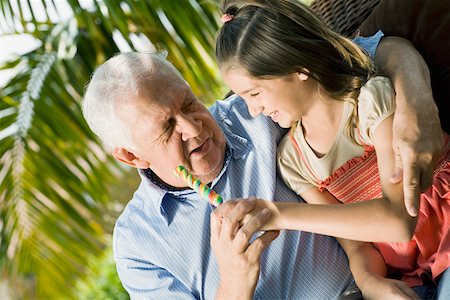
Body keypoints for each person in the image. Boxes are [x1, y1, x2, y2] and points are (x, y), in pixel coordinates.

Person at [82, 51, 422, 299]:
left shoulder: (256, 111)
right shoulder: (137, 244)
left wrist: (419, 103)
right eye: (166, 127)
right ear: (131, 156)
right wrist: (234, 279)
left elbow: (374, 50)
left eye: (188, 103)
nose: (193, 127)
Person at [215, 0, 450, 299]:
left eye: (255, 93)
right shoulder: (293, 161)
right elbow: (357, 245)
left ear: (298, 68)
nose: (253, 109)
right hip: (413, 272)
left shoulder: (370, 102)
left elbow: (399, 220)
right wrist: (370, 282)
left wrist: (278, 215)